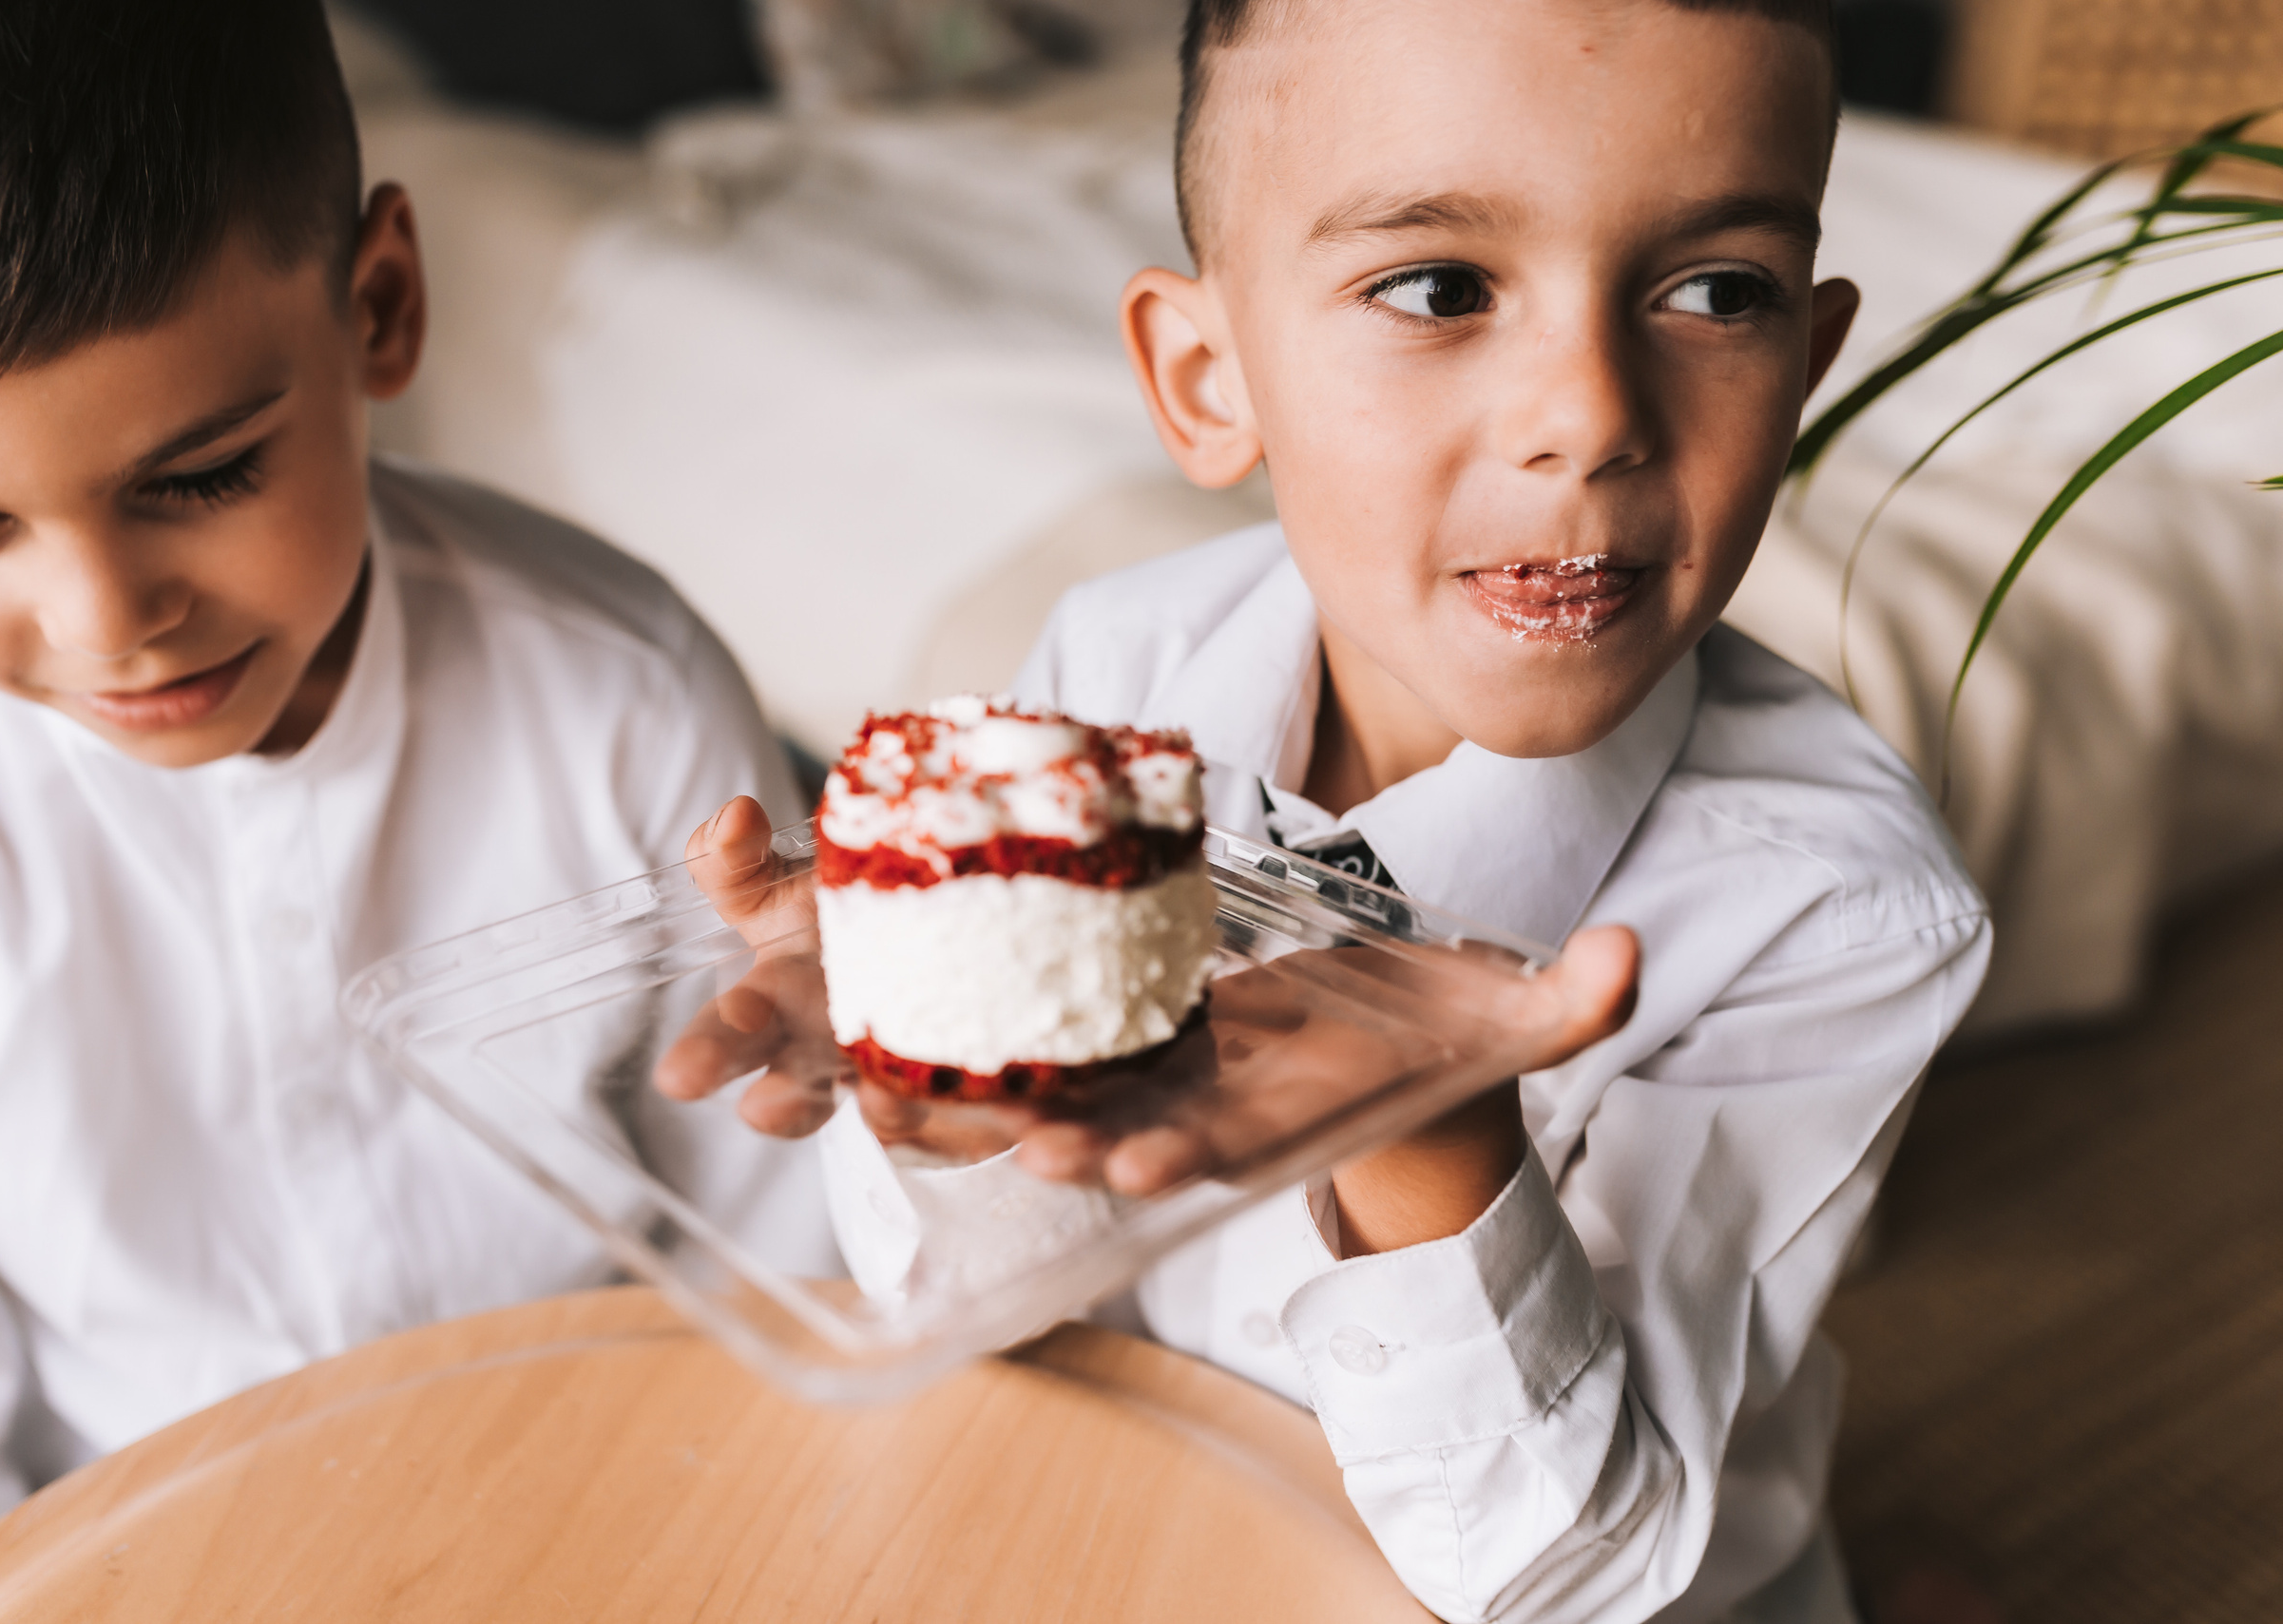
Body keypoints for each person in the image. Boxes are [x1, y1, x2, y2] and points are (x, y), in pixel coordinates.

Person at [665, 1, 1990, 1619]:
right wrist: (950, 1082)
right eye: (1438, 288)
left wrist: (1435, 1136)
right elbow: (984, 1301)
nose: (1589, 413)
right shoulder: (1123, 669)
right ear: (1209, 377)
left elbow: (1570, 1574)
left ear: (1810, 363)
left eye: (1718, 293)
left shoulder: (1835, 903)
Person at [0, 2, 837, 1608]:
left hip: (628, 1521)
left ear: (379, 307)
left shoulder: (618, 690)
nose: (110, 622)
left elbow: (790, 1254)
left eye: (198, 478)